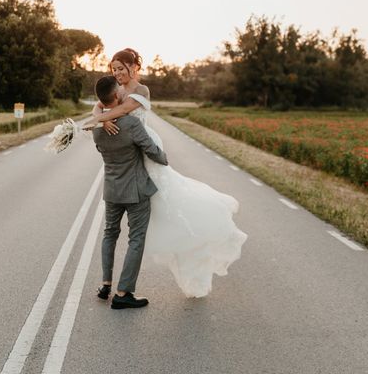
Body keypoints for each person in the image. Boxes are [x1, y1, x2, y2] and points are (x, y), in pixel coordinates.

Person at [87, 48, 248, 298]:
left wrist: (102, 118)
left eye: (121, 68)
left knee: (169, 202)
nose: (117, 73)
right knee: (135, 228)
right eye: (114, 69)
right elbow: (100, 108)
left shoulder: (139, 91)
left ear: (134, 67)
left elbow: (118, 111)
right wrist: (101, 118)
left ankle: (190, 236)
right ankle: (121, 290)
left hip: (140, 145)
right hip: (132, 150)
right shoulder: (112, 92)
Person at [91, 75, 169, 309]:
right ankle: (124, 292)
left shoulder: (97, 127)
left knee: (109, 234)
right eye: (120, 92)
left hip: (112, 189)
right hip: (135, 190)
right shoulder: (132, 124)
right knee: (136, 239)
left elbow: (101, 147)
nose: (124, 93)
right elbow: (151, 150)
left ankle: (105, 285)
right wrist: (164, 158)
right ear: (116, 96)